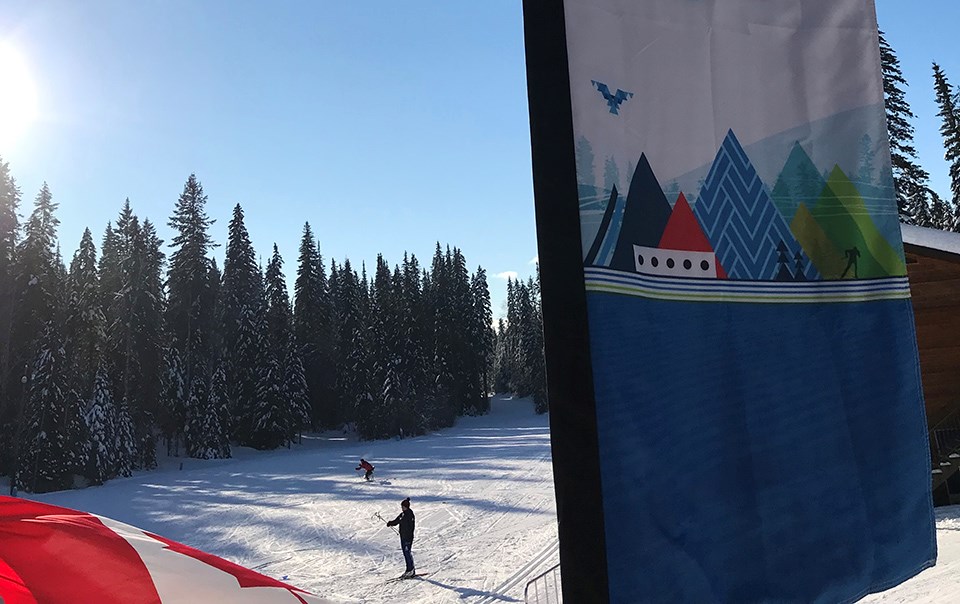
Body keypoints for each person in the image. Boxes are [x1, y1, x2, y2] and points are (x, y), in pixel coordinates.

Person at [386, 497, 416, 577]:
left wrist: (408, 536)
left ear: (406, 507)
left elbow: (410, 527)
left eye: (403, 506)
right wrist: (390, 523)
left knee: (407, 553)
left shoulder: (409, 515)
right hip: (403, 537)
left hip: (407, 538)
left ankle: (410, 570)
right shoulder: (403, 514)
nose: (401, 508)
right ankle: (410, 569)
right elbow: (397, 521)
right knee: (406, 553)